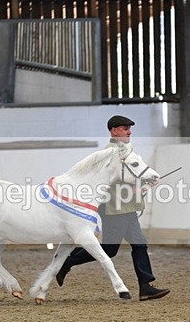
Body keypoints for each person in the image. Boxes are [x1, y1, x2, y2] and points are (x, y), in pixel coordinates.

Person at [55, 115, 170, 301]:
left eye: (129, 128)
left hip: (126, 209)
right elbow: (107, 183)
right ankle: (65, 262)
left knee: (139, 245)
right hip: (115, 209)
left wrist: (146, 182)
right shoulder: (110, 154)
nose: (129, 131)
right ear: (114, 131)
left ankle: (145, 286)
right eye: (125, 128)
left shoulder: (126, 152)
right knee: (110, 250)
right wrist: (138, 188)